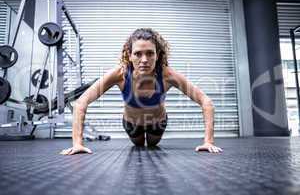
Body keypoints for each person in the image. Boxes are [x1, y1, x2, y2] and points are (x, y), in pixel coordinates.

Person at [60, 28, 223, 155]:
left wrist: (208, 141)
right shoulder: (120, 74)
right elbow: (82, 102)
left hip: (157, 124)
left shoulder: (167, 75)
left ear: (158, 55)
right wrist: (78, 143)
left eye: (150, 53)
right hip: (132, 124)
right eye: (138, 54)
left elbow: (206, 102)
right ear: (129, 55)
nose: (144, 60)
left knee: (152, 145)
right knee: (138, 146)